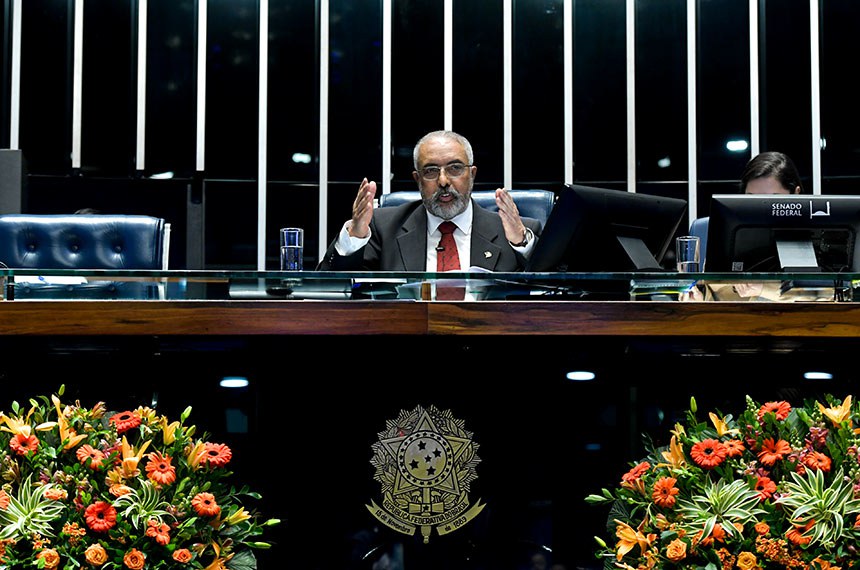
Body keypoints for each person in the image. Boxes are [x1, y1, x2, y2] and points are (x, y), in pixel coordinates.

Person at [316, 130, 541, 272]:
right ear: (418, 179)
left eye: (455, 168)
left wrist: (522, 245)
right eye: (431, 171)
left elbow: (557, 294)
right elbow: (329, 291)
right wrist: (354, 235)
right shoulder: (384, 228)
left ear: (472, 174)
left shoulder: (516, 233)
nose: (443, 181)